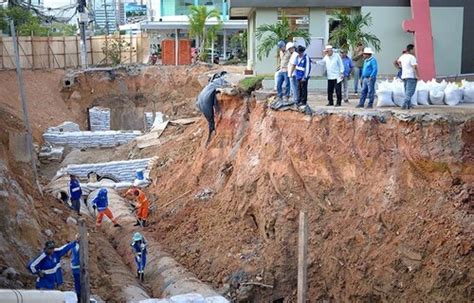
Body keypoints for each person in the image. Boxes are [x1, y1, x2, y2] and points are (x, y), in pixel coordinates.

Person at [397, 44, 419, 109]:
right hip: (411, 76)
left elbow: (398, 61)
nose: (414, 51)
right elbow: (414, 67)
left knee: (407, 91)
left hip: (404, 76)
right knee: (410, 91)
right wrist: (416, 76)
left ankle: (409, 105)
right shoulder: (412, 57)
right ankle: (404, 104)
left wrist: (401, 67)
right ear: (411, 50)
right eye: (414, 49)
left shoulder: (402, 56)